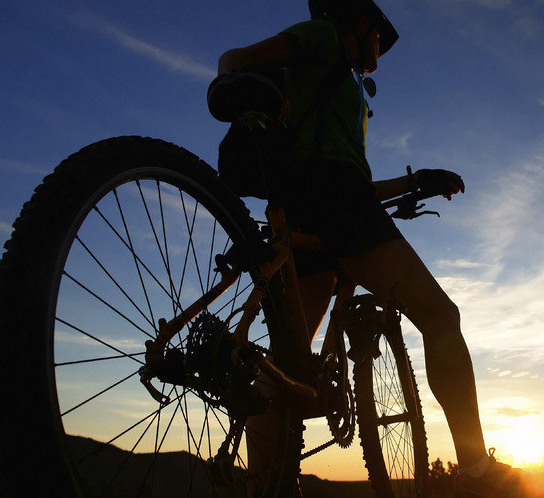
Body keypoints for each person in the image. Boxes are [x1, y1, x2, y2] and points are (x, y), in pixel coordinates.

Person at [216, 1, 521, 496]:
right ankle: (477, 473)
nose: (381, 45)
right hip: (340, 210)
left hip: (305, 209)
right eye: (379, 33)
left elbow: (349, 177)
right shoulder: (324, 37)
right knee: (442, 318)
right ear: (359, 22)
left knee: (287, 361)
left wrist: (414, 180)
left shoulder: (336, 82)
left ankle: (265, 484)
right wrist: (235, 81)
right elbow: (236, 57)